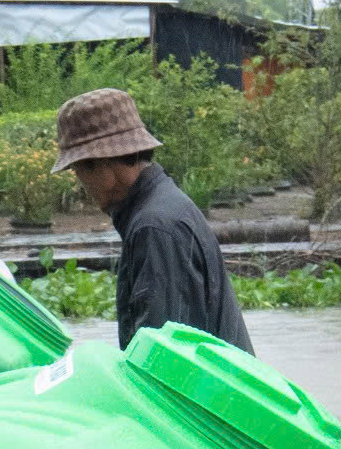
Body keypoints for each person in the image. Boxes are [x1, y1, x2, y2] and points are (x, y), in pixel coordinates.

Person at [52, 88, 254, 355]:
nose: (82, 186)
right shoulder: (159, 209)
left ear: (102, 164)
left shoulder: (156, 227)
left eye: (79, 172)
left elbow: (165, 358)